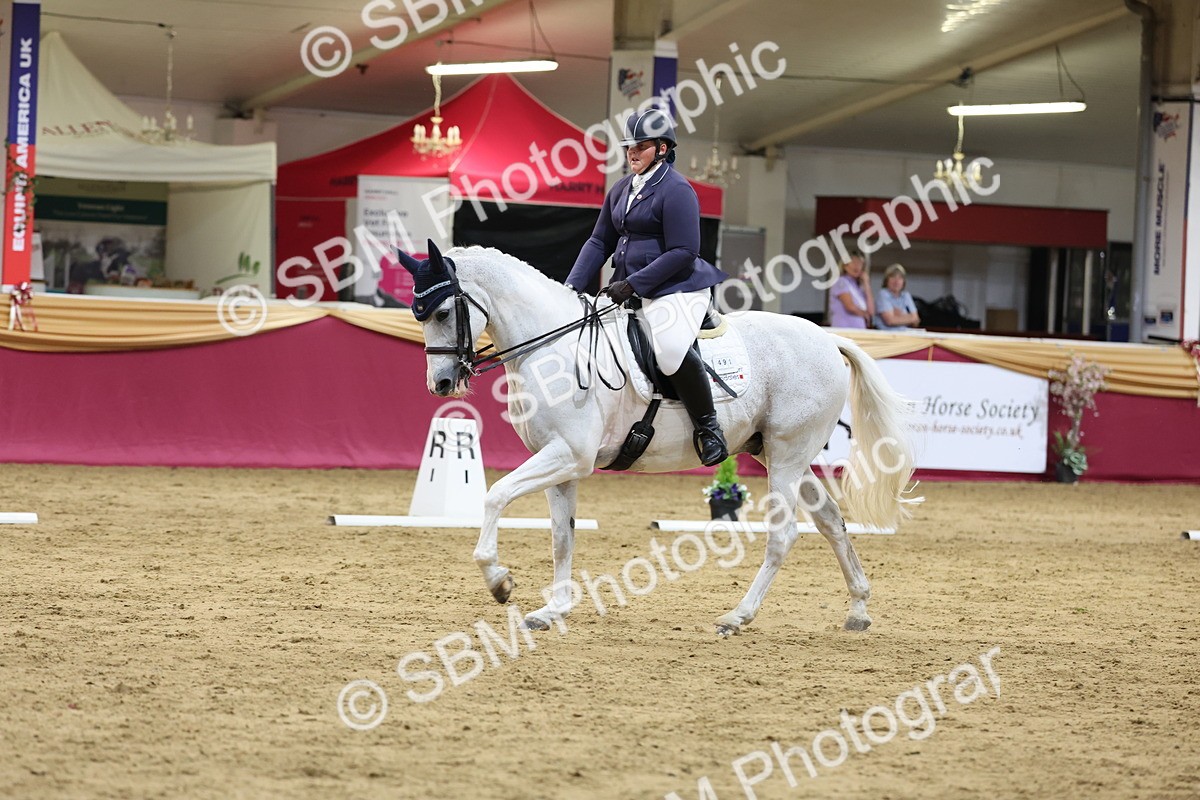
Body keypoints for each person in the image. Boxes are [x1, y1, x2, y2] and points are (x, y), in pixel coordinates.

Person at [564, 108, 730, 466]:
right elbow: (598, 242)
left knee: (669, 349)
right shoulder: (622, 188)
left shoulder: (677, 190)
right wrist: (570, 288)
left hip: (675, 289)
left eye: (641, 146)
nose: (633, 153)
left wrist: (634, 284)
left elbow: (685, 251)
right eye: (629, 147)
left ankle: (708, 427)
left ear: (663, 148)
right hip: (626, 288)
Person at [827, 249, 874, 328]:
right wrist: (864, 314)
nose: (857, 266)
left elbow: (871, 311)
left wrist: (866, 284)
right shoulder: (841, 282)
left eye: (860, 263)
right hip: (844, 329)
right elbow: (850, 307)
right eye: (853, 262)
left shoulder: (859, 287)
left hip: (859, 331)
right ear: (845, 265)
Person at [874, 263, 921, 331]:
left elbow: (916, 321)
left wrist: (898, 315)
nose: (896, 281)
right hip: (887, 336)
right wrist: (909, 316)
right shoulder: (883, 294)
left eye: (900, 278)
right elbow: (890, 321)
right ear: (886, 280)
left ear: (903, 282)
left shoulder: (906, 295)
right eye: (893, 277)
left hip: (906, 335)